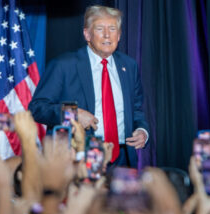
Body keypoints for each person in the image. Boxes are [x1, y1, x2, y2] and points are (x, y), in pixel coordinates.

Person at [29, 5, 149, 168]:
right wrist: (73, 115)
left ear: (119, 35)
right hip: (77, 156)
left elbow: (136, 110)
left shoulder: (129, 65)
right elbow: (37, 108)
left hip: (122, 158)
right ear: (87, 34)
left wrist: (142, 131)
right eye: (100, 28)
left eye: (112, 28)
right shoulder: (64, 65)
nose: (107, 34)